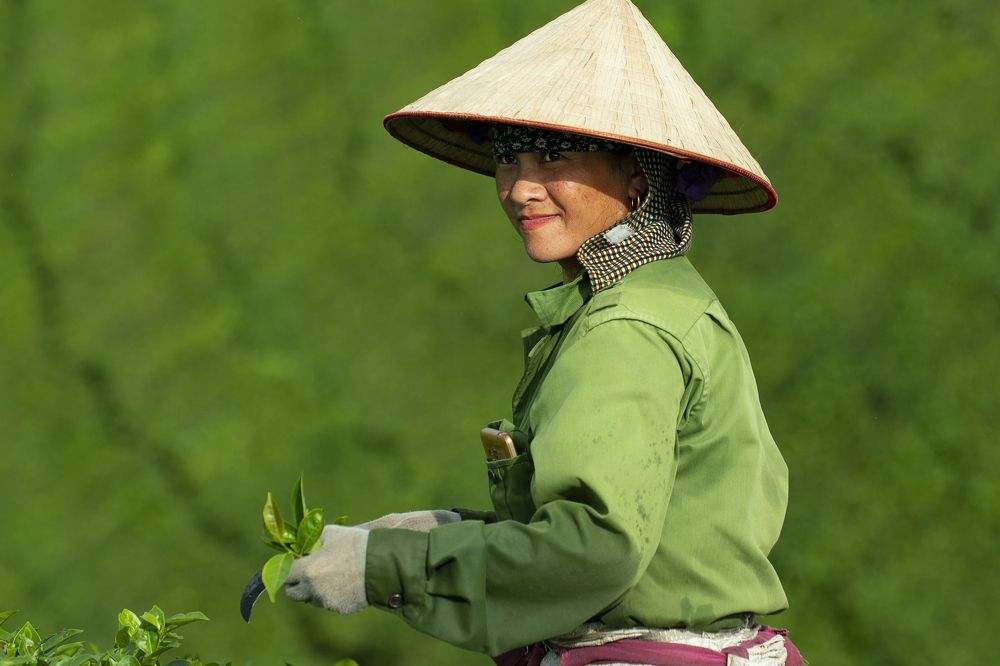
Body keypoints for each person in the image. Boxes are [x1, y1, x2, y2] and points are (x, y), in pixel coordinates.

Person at [283, 1, 804, 664]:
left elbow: (594, 548)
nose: (520, 189)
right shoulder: (663, 299)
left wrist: (387, 566)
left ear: (638, 180)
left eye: (553, 157)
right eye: (509, 158)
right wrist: (438, 534)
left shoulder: (627, 331)